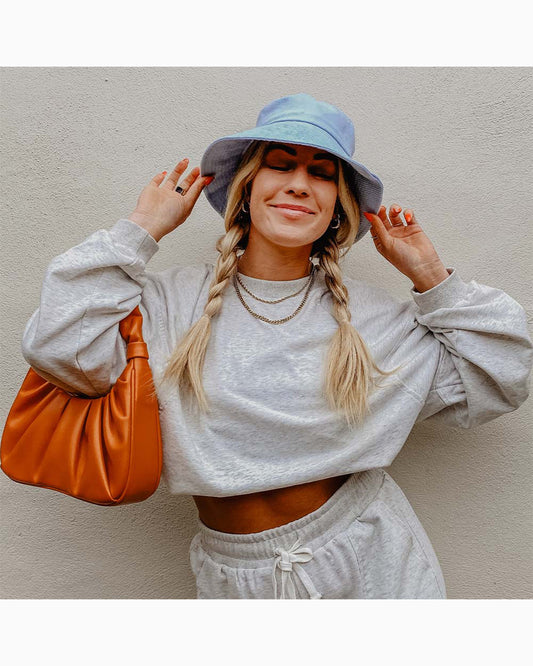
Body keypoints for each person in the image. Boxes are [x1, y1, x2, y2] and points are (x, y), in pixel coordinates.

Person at [20, 93, 532, 599]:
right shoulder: (168, 303)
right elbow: (59, 349)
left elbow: (501, 376)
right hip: (233, 573)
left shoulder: (375, 319)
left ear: (338, 207)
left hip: (372, 562)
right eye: (281, 166)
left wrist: (430, 276)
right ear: (245, 188)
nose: (299, 184)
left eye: (321, 174)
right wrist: (140, 231)